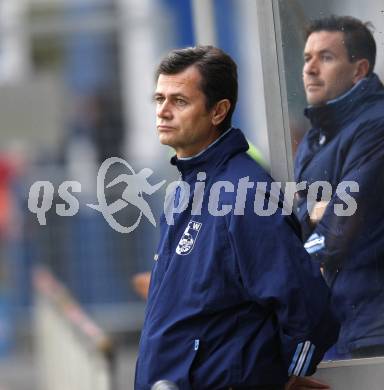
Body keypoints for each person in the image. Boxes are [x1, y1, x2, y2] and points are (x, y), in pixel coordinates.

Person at [135, 45, 339, 390]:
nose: (163, 112)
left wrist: (289, 376)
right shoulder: (185, 190)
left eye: (179, 101)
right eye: (159, 99)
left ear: (218, 111)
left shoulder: (243, 195)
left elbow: (307, 308)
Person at [295, 15, 384, 359]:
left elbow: (337, 227)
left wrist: (320, 214)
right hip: (337, 323)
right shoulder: (318, 133)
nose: (311, 69)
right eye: (307, 58)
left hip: (371, 330)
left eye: (326, 58)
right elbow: (305, 217)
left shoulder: (375, 125)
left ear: (359, 70)